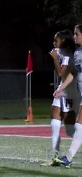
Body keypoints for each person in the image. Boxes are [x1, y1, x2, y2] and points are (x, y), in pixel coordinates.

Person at [41, 29, 77, 167]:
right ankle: (54, 157)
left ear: (63, 40)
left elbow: (62, 73)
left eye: (56, 39)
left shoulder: (68, 54)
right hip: (62, 89)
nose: (54, 42)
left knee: (70, 129)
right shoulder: (62, 53)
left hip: (70, 91)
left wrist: (55, 58)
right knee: (54, 121)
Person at [53, 24, 82, 168]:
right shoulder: (77, 53)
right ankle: (68, 158)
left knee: (79, 125)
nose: (74, 36)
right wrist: (61, 89)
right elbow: (73, 73)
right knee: (79, 125)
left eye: (77, 34)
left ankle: (68, 158)